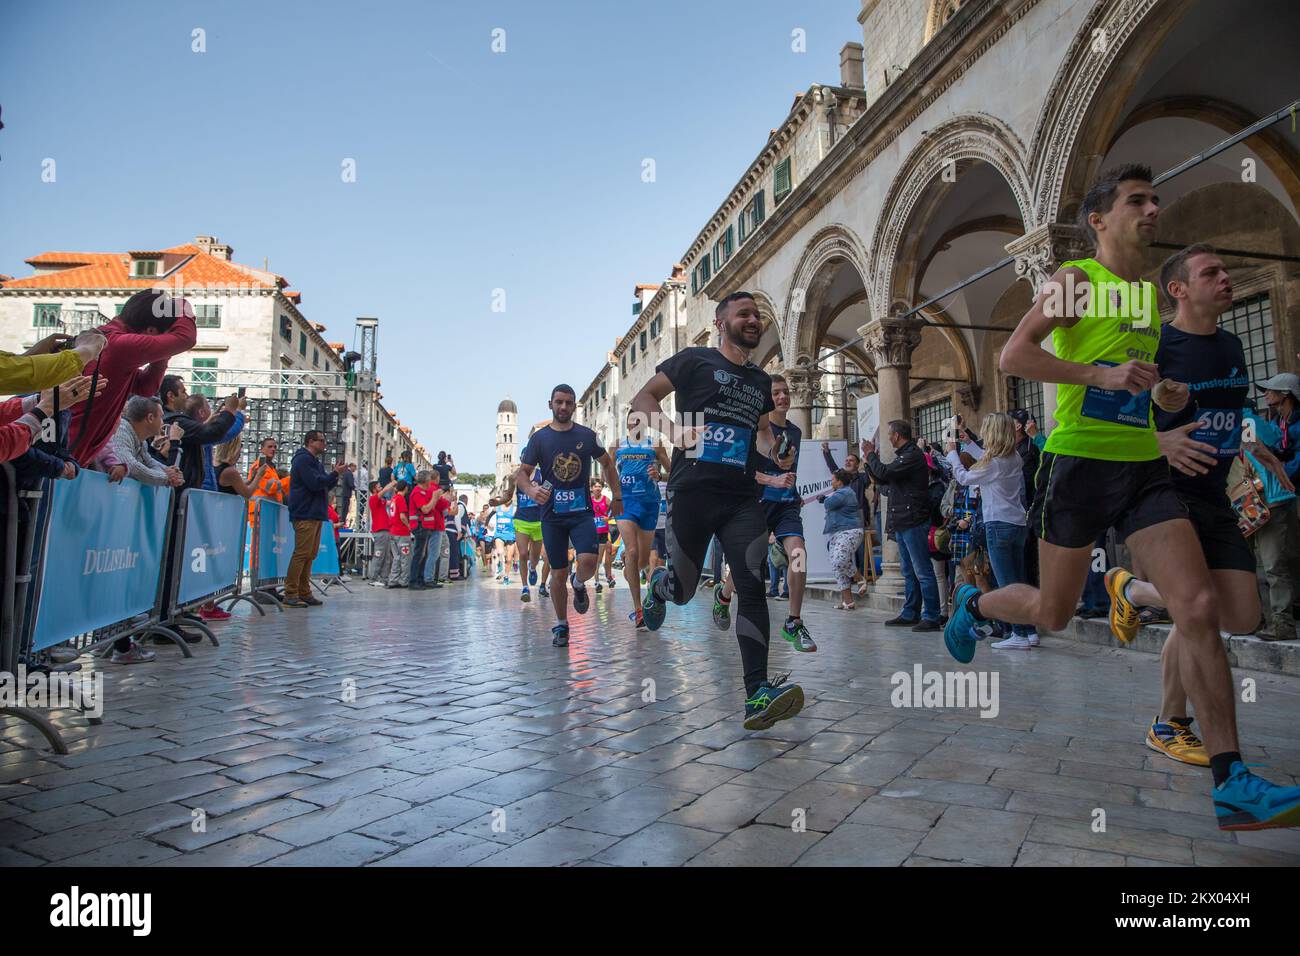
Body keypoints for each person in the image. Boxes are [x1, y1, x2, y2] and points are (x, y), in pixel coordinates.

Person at [947, 164, 1300, 830]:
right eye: (1137, 201)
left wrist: (1161, 395)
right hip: (1078, 466)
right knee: (1051, 613)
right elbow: (1013, 358)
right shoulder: (1078, 281)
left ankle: (1233, 781)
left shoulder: (1142, 298)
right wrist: (1097, 372)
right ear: (1100, 221)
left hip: (1145, 470)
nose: (1153, 209)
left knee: (1198, 605)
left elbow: (1146, 385)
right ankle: (974, 599)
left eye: (1156, 200)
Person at [1103, 245, 1293, 764]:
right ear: (1179, 290)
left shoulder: (1231, 345)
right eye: (1212, 272)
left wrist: (1254, 447)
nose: (1226, 278)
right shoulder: (1156, 343)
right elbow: (1107, 416)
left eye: (1227, 271)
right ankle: (1170, 723)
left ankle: (1133, 591)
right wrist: (1156, 443)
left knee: (1241, 614)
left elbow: (1230, 414)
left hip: (1215, 494)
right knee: (1198, 607)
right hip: (1166, 493)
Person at [633, 292, 803, 730]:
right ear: (720, 321)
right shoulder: (694, 360)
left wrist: (777, 452)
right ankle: (660, 585)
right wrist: (674, 431)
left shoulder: (761, 382)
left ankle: (758, 694)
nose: (753, 319)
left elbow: (764, 435)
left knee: (752, 579)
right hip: (692, 492)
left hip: (741, 498)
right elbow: (642, 400)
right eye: (743, 313)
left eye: (757, 314)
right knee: (686, 589)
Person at [715, 372, 816, 651]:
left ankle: (794, 621)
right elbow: (743, 471)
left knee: (798, 553)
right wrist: (773, 480)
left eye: (785, 391)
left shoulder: (795, 432)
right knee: (746, 561)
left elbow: (789, 470)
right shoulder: (752, 430)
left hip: (786, 507)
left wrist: (791, 490)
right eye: (776, 393)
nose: (782, 396)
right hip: (756, 504)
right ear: (766, 399)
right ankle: (724, 596)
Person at [515, 384, 620, 648]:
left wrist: (618, 496)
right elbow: (522, 473)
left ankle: (579, 581)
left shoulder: (588, 435)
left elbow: (607, 463)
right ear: (550, 404)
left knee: (588, 561)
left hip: (581, 513)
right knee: (557, 573)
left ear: (574, 406)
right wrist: (531, 489)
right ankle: (561, 624)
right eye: (559, 402)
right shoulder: (539, 440)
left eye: (568, 403)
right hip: (551, 516)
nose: (563, 407)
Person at [68, 289, 197, 466]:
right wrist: (182, 306)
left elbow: (146, 388)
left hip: (72, 451)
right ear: (151, 330)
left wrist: (163, 351)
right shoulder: (119, 345)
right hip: (65, 450)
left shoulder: (110, 341)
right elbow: (185, 339)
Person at [946, 413, 1034, 649]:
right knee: (1019, 580)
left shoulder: (994, 464)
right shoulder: (1013, 457)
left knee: (1006, 584)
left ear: (993, 433)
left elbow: (964, 477)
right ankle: (1029, 630)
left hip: (998, 524)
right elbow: (984, 459)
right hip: (1017, 524)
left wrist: (953, 453)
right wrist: (967, 442)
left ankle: (1018, 634)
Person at [863, 420, 942, 631]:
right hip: (903, 520)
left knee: (922, 571)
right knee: (908, 571)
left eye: (890, 434)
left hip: (913, 520)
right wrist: (871, 465)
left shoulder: (912, 455)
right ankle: (911, 612)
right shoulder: (904, 457)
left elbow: (887, 473)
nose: (888, 438)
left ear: (897, 435)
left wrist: (871, 455)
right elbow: (887, 482)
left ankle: (932, 616)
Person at [1253, 371, 1300, 639]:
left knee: (1276, 562)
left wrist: (1282, 470)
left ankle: (1283, 622)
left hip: (1277, 496)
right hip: (1278, 496)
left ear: (1286, 395)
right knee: (1287, 556)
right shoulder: (1278, 422)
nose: (1265, 393)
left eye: (1271, 390)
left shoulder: (1254, 423)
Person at [613, 426, 671, 629]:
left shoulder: (655, 444)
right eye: (633, 420)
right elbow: (607, 471)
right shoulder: (617, 445)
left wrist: (658, 475)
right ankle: (639, 609)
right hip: (625, 504)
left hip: (649, 504)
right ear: (627, 424)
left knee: (644, 560)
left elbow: (673, 473)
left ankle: (633, 568)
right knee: (632, 550)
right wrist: (615, 488)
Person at [285, 430, 345, 608]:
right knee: (302, 554)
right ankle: (290, 592)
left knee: (309, 555)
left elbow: (324, 483)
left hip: (314, 513)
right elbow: (315, 483)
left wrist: (335, 475)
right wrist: (334, 474)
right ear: (311, 441)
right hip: (305, 512)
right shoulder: (303, 460)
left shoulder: (314, 462)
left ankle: (304, 592)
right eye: (322, 440)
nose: (325, 444)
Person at [156, 376, 240, 489]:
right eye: (183, 391)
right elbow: (213, 433)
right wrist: (230, 411)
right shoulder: (177, 421)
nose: (186, 396)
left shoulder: (172, 419)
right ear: (171, 396)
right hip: (180, 489)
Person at [104, 396, 184, 488]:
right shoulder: (121, 432)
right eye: (161, 417)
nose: (163, 422)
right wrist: (165, 478)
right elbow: (132, 467)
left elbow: (150, 463)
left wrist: (166, 471)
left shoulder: (142, 442)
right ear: (150, 418)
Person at [822, 468, 863, 609]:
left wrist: (824, 499)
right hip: (837, 533)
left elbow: (828, 504)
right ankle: (848, 601)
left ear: (839, 482)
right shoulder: (841, 492)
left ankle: (859, 578)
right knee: (837, 567)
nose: (831, 481)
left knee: (839, 561)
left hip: (848, 531)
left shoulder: (844, 492)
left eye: (833, 479)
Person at [514, 470, 545, 602]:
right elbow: (508, 493)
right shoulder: (517, 475)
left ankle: (532, 568)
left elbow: (549, 491)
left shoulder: (541, 474)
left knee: (535, 556)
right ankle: (525, 587)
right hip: (521, 520)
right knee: (522, 554)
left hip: (538, 521)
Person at [408, 472, 437, 590]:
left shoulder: (423, 492)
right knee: (419, 554)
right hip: (420, 526)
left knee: (423, 554)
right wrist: (434, 498)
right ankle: (414, 580)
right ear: (425, 481)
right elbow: (425, 509)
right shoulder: (417, 492)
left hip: (424, 526)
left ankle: (420, 579)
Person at [367, 479, 395, 586]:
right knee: (379, 555)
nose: (381, 488)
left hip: (386, 530)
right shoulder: (373, 498)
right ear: (374, 489)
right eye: (379, 487)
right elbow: (384, 491)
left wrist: (394, 491)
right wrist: (391, 483)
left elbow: (390, 501)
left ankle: (384, 577)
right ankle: (373, 578)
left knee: (387, 556)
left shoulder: (381, 500)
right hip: (380, 531)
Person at [385, 480, 413, 588]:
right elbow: (402, 516)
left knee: (396, 557)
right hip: (402, 532)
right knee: (405, 558)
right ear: (406, 488)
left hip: (393, 531)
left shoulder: (394, 498)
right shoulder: (401, 499)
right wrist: (408, 525)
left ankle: (393, 579)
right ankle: (404, 580)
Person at [591, 479, 615, 592]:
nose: (597, 488)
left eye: (599, 486)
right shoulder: (590, 501)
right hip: (594, 532)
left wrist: (609, 517)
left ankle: (609, 576)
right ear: (592, 488)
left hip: (605, 531)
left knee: (609, 554)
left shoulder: (606, 500)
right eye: (595, 486)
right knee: (598, 558)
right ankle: (596, 581)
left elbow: (614, 508)